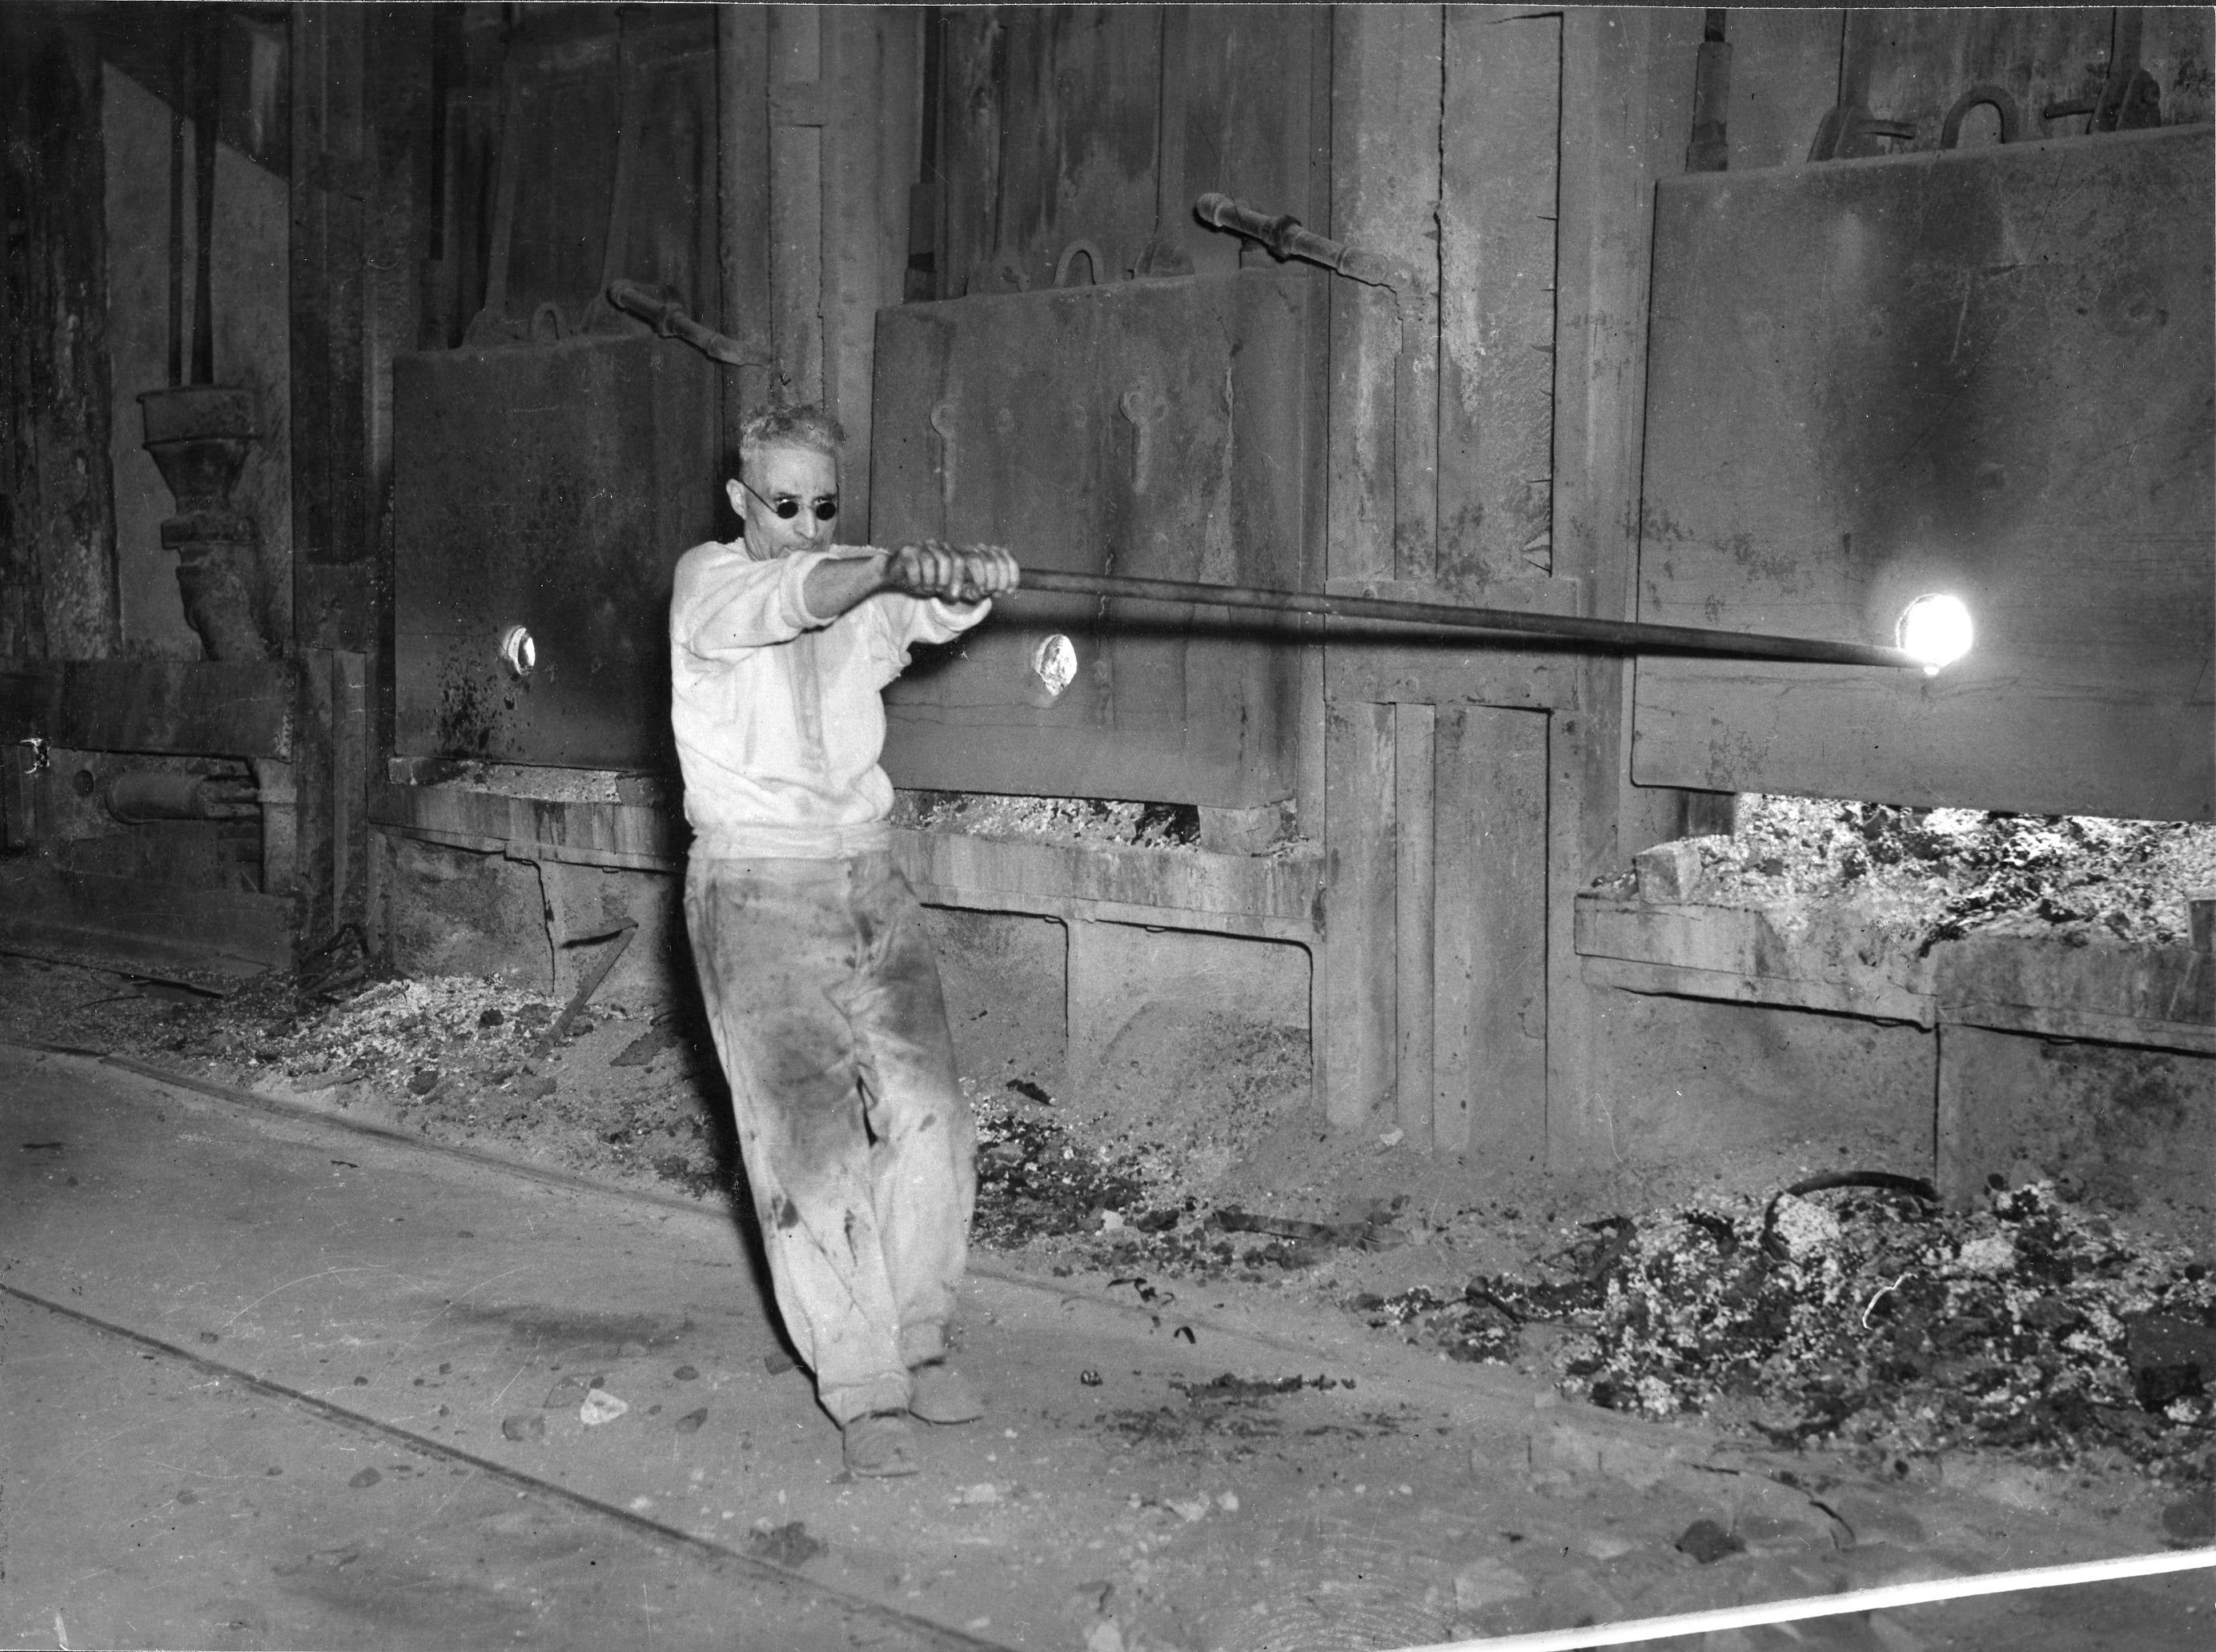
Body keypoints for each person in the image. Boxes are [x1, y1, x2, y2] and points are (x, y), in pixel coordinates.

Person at [668, 404, 1019, 1478]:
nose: (806, 525)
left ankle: (919, 1335)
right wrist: (871, 569)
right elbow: (802, 594)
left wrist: (970, 580)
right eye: (784, 505)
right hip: (757, 888)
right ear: (742, 502)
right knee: (810, 1149)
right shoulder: (712, 582)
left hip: (869, 874)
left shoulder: (846, 577)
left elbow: (915, 618)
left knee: (932, 1117)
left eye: (825, 505)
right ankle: (866, 1392)